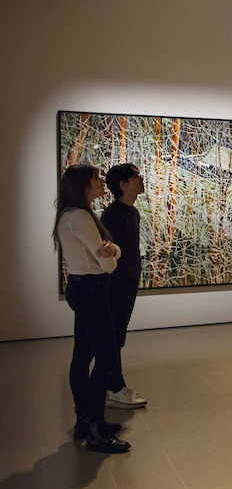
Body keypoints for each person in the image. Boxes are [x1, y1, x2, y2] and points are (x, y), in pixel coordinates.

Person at [53, 164, 130, 453]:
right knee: (107, 357)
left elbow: (109, 250)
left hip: (81, 288)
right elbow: (108, 263)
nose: (101, 182)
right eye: (96, 178)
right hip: (92, 290)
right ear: (84, 185)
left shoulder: (68, 215)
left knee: (83, 355)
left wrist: (114, 249)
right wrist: (115, 252)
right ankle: (97, 429)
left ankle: (85, 421)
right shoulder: (81, 217)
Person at [100, 163, 148, 409]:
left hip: (128, 280)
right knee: (114, 335)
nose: (141, 179)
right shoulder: (113, 215)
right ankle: (114, 387)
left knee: (117, 334)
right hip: (116, 283)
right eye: (136, 177)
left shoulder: (132, 212)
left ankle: (113, 386)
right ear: (123, 184)